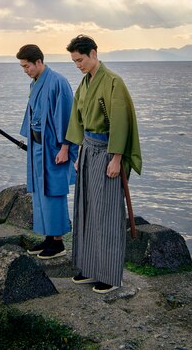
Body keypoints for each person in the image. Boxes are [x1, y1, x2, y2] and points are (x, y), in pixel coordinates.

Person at [66, 35, 142, 294]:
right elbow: (77, 119)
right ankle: (89, 268)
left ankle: (108, 275)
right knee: (86, 210)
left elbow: (121, 121)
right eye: (75, 62)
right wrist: (77, 153)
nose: (78, 65)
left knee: (107, 212)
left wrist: (117, 158)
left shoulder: (113, 83)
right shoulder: (85, 84)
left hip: (108, 153)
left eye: (81, 60)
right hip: (87, 150)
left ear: (94, 53)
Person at [17, 44, 77, 259]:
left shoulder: (57, 82)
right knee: (40, 193)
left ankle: (59, 243)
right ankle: (48, 237)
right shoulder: (35, 83)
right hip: (38, 147)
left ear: (39, 62)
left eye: (27, 66)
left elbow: (67, 117)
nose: (25, 71)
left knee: (54, 192)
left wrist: (65, 147)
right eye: (23, 67)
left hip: (53, 147)